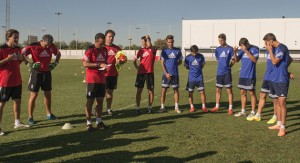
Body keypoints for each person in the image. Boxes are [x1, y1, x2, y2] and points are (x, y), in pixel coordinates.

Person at [22, 34, 61, 125]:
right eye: (46, 45)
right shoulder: (33, 46)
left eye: (49, 45)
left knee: (48, 94)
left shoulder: (52, 46)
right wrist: (29, 64)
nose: (48, 47)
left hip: (47, 72)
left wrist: (55, 63)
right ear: (42, 41)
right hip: (36, 73)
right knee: (34, 95)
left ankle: (49, 114)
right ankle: (30, 117)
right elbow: (21, 54)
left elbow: (58, 53)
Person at [0, 29, 29, 135]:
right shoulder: (2, 49)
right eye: (14, 37)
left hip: (17, 80)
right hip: (5, 82)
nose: (17, 39)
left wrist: (21, 59)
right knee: (1, 104)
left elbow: (17, 63)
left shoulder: (18, 49)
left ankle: (17, 122)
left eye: (17, 37)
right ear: (8, 37)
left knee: (17, 101)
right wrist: (7, 59)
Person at [263, 33, 292, 137]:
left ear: (270, 41)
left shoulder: (282, 48)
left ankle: (283, 127)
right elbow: (289, 59)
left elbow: (275, 62)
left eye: (266, 43)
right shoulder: (275, 49)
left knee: (282, 103)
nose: (266, 45)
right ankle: (279, 124)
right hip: (273, 79)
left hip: (281, 80)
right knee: (276, 102)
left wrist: (270, 50)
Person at [82, 33, 109, 131]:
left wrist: (105, 67)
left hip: (102, 79)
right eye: (101, 43)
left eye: (103, 43)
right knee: (90, 101)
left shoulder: (105, 50)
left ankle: (98, 122)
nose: (103, 45)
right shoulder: (90, 50)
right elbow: (85, 63)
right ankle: (88, 123)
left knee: (100, 101)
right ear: (96, 41)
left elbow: (105, 62)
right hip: (92, 80)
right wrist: (99, 64)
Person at [233, 38, 259, 118]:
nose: (241, 48)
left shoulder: (255, 49)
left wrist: (246, 51)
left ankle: (253, 112)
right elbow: (236, 60)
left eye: (242, 46)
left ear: (246, 44)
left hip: (250, 75)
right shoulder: (241, 50)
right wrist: (235, 52)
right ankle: (243, 111)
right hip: (242, 75)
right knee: (242, 92)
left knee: (252, 93)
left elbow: (254, 60)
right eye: (240, 47)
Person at [210, 33, 235, 115]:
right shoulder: (217, 49)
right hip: (219, 73)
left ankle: (230, 108)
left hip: (227, 73)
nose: (220, 42)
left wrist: (229, 66)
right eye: (219, 41)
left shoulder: (230, 49)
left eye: (221, 40)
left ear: (225, 39)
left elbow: (233, 60)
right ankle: (217, 106)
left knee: (229, 90)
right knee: (218, 90)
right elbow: (218, 59)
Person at [133, 35, 157, 114]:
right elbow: (134, 60)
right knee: (139, 90)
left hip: (150, 73)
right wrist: (136, 66)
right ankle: (138, 108)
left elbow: (150, 45)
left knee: (150, 90)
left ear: (147, 41)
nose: (142, 43)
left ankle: (150, 108)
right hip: (141, 73)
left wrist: (148, 38)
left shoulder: (153, 49)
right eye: (142, 42)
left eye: (144, 41)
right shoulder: (140, 50)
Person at [159, 35, 182, 113]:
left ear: (173, 41)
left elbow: (180, 61)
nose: (170, 43)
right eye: (169, 42)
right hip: (166, 75)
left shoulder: (178, 50)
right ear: (166, 42)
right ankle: (162, 107)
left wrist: (174, 65)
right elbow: (162, 63)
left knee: (176, 90)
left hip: (175, 74)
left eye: (171, 42)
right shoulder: (164, 51)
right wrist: (166, 73)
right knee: (163, 90)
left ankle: (176, 107)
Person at [104, 30, 122, 115]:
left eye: (112, 37)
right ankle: (96, 108)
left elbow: (123, 60)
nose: (111, 38)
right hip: (102, 74)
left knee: (110, 93)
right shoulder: (102, 47)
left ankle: (108, 109)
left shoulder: (117, 49)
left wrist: (121, 61)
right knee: (100, 94)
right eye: (109, 36)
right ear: (105, 37)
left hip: (113, 74)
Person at [184, 45, 208, 113]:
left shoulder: (201, 56)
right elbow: (187, 67)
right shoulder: (187, 58)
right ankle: (192, 107)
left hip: (199, 77)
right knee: (190, 93)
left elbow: (202, 65)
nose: (194, 54)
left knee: (202, 92)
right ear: (191, 51)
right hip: (191, 78)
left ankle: (203, 106)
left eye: (196, 52)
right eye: (193, 52)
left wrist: (198, 70)